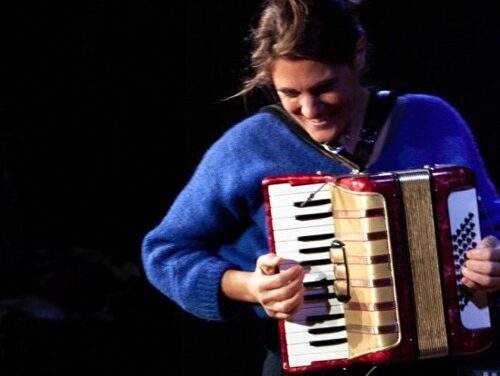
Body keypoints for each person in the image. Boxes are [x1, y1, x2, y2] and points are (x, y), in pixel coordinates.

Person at [141, 0, 500, 374]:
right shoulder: (251, 145)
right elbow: (165, 251)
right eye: (290, 94)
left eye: (325, 87)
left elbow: (492, 222)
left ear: (358, 55)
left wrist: (493, 259)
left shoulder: (432, 120)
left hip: (437, 363)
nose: (310, 109)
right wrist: (249, 287)